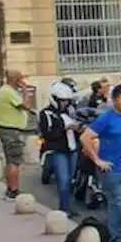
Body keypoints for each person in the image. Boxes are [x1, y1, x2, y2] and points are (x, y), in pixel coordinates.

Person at [81, 82, 121, 242]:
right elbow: (85, 138)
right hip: (111, 169)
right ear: (115, 101)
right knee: (117, 202)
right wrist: (97, 160)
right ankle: (117, 237)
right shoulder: (106, 119)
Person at [38, 81, 81, 215]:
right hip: (58, 150)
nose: (65, 104)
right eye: (62, 101)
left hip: (72, 148)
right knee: (63, 179)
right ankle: (64, 208)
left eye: (67, 101)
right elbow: (48, 133)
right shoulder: (46, 113)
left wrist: (78, 127)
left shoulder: (69, 111)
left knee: (70, 180)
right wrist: (65, 127)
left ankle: (68, 206)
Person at [0, 70, 32, 199]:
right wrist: (25, 91)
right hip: (11, 131)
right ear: (16, 80)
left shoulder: (4, 90)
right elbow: (26, 105)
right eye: (21, 79)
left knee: (10, 160)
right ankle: (14, 190)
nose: (23, 81)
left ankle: (10, 188)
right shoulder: (9, 92)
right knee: (14, 161)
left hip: (6, 130)